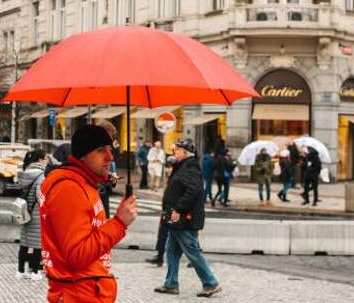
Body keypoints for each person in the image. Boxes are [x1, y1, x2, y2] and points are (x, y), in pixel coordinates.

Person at [39, 125, 138, 302]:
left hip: (88, 290)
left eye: (110, 149)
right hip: (79, 293)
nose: (110, 157)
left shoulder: (85, 184)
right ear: (83, 155)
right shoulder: (69, 188)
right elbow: (77, 254)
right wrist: (119, 223)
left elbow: (90, 237)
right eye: (101, 150)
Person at [154, 138, 221, 298]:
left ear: (185, 153)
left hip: (184, 219)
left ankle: (211, 282)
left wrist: (178, 209)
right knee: (171, 251)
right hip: (176, 219)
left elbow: (193, 191)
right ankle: (171, 284)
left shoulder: (190, 168)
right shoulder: (183, 166)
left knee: (193, 252)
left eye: (177, 150)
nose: (174, 151)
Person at [17, 149, 47, 280]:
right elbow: (41, 198)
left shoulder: (25, 173)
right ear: (40, 160)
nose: (46, 161)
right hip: (36, 214)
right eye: (45, 158)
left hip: (25, 213)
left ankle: (20, 271)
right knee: (37, 245)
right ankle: (35, 272)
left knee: (24, 242)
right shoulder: (40, 177)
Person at [146, 156, 176, 267]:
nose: (168, 170)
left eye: (170, 167)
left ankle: (194, 258)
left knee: (183, 239)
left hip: (173, 213)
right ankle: (159, 257)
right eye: (167, 167)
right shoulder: (169, 179)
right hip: (166, 212)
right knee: (162, 234)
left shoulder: (177, 180)